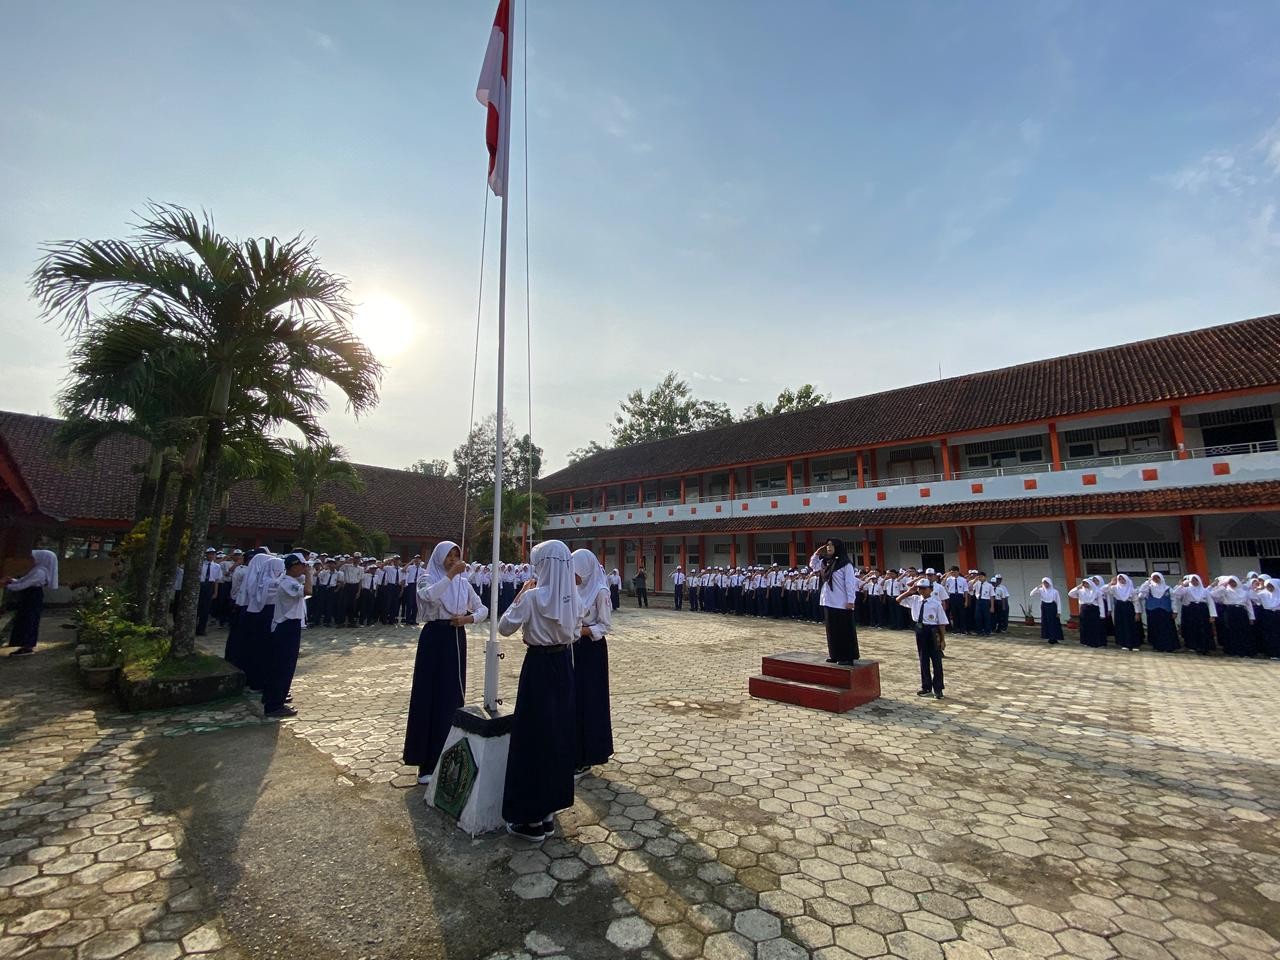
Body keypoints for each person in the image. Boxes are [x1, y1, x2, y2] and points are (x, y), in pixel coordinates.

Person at [499, 540, 579, 843]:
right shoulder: (574, 598)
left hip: (539, 668)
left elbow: (504, 627)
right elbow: (574, 633)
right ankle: (548, 812)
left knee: (532, 737)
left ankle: (530, 818)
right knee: (557, 735)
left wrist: (521, 594)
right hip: (564, 664)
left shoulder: (532, 597)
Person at [403, 541, 488, 785]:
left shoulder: (463, 583)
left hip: (455, 636)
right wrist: (450, 575)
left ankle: (450, 757)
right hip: (434, 638)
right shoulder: (427, 578)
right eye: (449, 555)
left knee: (451, 695)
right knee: (429, 695)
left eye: (456, 555)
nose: (452, 559)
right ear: (440, 557)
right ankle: (426, 762)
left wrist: (468, 619)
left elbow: (482, 609)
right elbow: (428, 596)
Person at [571, 549, 614, 780]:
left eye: (576, 571)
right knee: (574, 699)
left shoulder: (600, 591)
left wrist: (581, 631)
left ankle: (588, 756)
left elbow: (605, 626)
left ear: (586, 570)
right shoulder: (574, 589)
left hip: (592, 651)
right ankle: (574, 751)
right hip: (573, 648)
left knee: (590, 701)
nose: (573, 576)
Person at [263, 553, 311, 718]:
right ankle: (274, 705)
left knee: (283, 665)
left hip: (289, 625)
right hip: (286, 626)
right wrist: (309, 575)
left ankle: (275, 697)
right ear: (294, 567)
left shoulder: (290, 581)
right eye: (302, 566)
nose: (304, 569)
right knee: (283, 666)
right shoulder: (287, 583)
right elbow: (308, 591)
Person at [809, 538, 859, 665]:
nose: (829, 547)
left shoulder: (845, 564)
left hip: (842, 602)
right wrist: (817, 553)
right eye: (827, 545)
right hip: (828, 601)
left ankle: (847, 657)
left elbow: (850, 583)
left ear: (838, 547)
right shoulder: (825, 562)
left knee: (844, 631)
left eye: (832, 545)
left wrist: (851, 600)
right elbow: (813, 565)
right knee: (831, 631)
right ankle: (835, 654)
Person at [898, 577, 948, 699]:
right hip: (920, 630)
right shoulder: (915, 599)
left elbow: (942, 623)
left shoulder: (936, 603)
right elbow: (898, 600)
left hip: (933, 630)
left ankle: (938, 688)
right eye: (920, 588)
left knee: (936, 660)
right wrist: (909, 591)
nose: (921, 590)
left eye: (924, 588)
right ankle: (926, 686)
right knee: (923, 659)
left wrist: (942, 639)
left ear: (931, 589)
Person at [2, 549, 58, 656]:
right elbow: (24, 580)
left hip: (32, 596)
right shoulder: (38, 569)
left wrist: (7, 585)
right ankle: (24, 644)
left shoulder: (40, 572)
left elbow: (24, 584)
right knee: (26, 619)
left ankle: (27, 646)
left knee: (29, 620)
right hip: (30, 596)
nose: (32, 559)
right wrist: (12, 580)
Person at [1174, 574, 1216, 655]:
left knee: (1203, 628)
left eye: (1196, 580)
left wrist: (1212, 615)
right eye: (1192, 580)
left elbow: (1210, 603)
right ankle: (1192, 645)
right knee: (1191, 628)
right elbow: (1176, 594)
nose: (1194, 582)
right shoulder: (1187, 589)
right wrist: (1182, 585)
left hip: (1202, 610)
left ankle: (1204, 646)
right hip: (1191, 610)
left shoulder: (1205, 590)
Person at [1137, 572, 1177, 652]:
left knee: (1167, 629)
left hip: (1165, 612)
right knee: (1155, 629)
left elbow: (1173, 600)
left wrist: (1175, 611)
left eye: (1157, 577)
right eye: (1154, 578)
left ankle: (1169, 646)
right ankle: (1157, 646)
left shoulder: (1168, 588)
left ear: (1161, 578)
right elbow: (1140, 594)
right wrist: (1147, 582)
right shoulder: (1149, 588)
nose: (1155, 579)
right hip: (1153, 612)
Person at [1068, 577, 1106, 647]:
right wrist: (1078, 587)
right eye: (1084, 583)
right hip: (1084, 609)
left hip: (1094, 609)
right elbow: (1070, 594)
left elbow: (1101, 603)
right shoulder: (1080, 591)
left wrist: (1102, 614)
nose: (1085, 585)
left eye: (1087, 583)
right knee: (1085, 625)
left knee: (1094, 626)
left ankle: (1095, 642)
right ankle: (1086, 641)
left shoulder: (1096, 591)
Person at [1108, 574, 1140, 651]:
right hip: (1119, 607)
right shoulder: (1115, 588)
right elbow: (1104, 590)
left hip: (1128, 607)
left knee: (1130, 625)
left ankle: (1133, 644)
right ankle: (1124, 643)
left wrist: (1137, 612)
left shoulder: (1131, 589)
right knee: (1121, 625)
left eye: (1123, 579)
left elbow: (1136, 601)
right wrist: (1111, 583)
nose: (1121, 581)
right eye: (1120, 579)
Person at [195, 547, 223, 636]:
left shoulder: (217, 566)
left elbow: (216, 580)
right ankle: (193, 626)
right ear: (206, 555)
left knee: (206, 609)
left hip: (210, 586)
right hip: (201, 585)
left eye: (213, 554)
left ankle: (201, 629)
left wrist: (215, 592)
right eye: (209, 554)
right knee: (197, 607)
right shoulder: (201, 564)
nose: (211, 556)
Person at [1029, 577, 1063, 644]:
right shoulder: (1041, 590)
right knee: (1046, 623)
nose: (1045, 584)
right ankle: (1049, 638)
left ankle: (1054, 638)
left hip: (1052, 607)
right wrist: (1038, 587)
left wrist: (1059, 612)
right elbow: (1031, 594)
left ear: (1050, 583)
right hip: (1044, 607)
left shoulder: (1055, 591)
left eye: (1047, 583)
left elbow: (1058, 602)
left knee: (1053, 623)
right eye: (1044, 583)